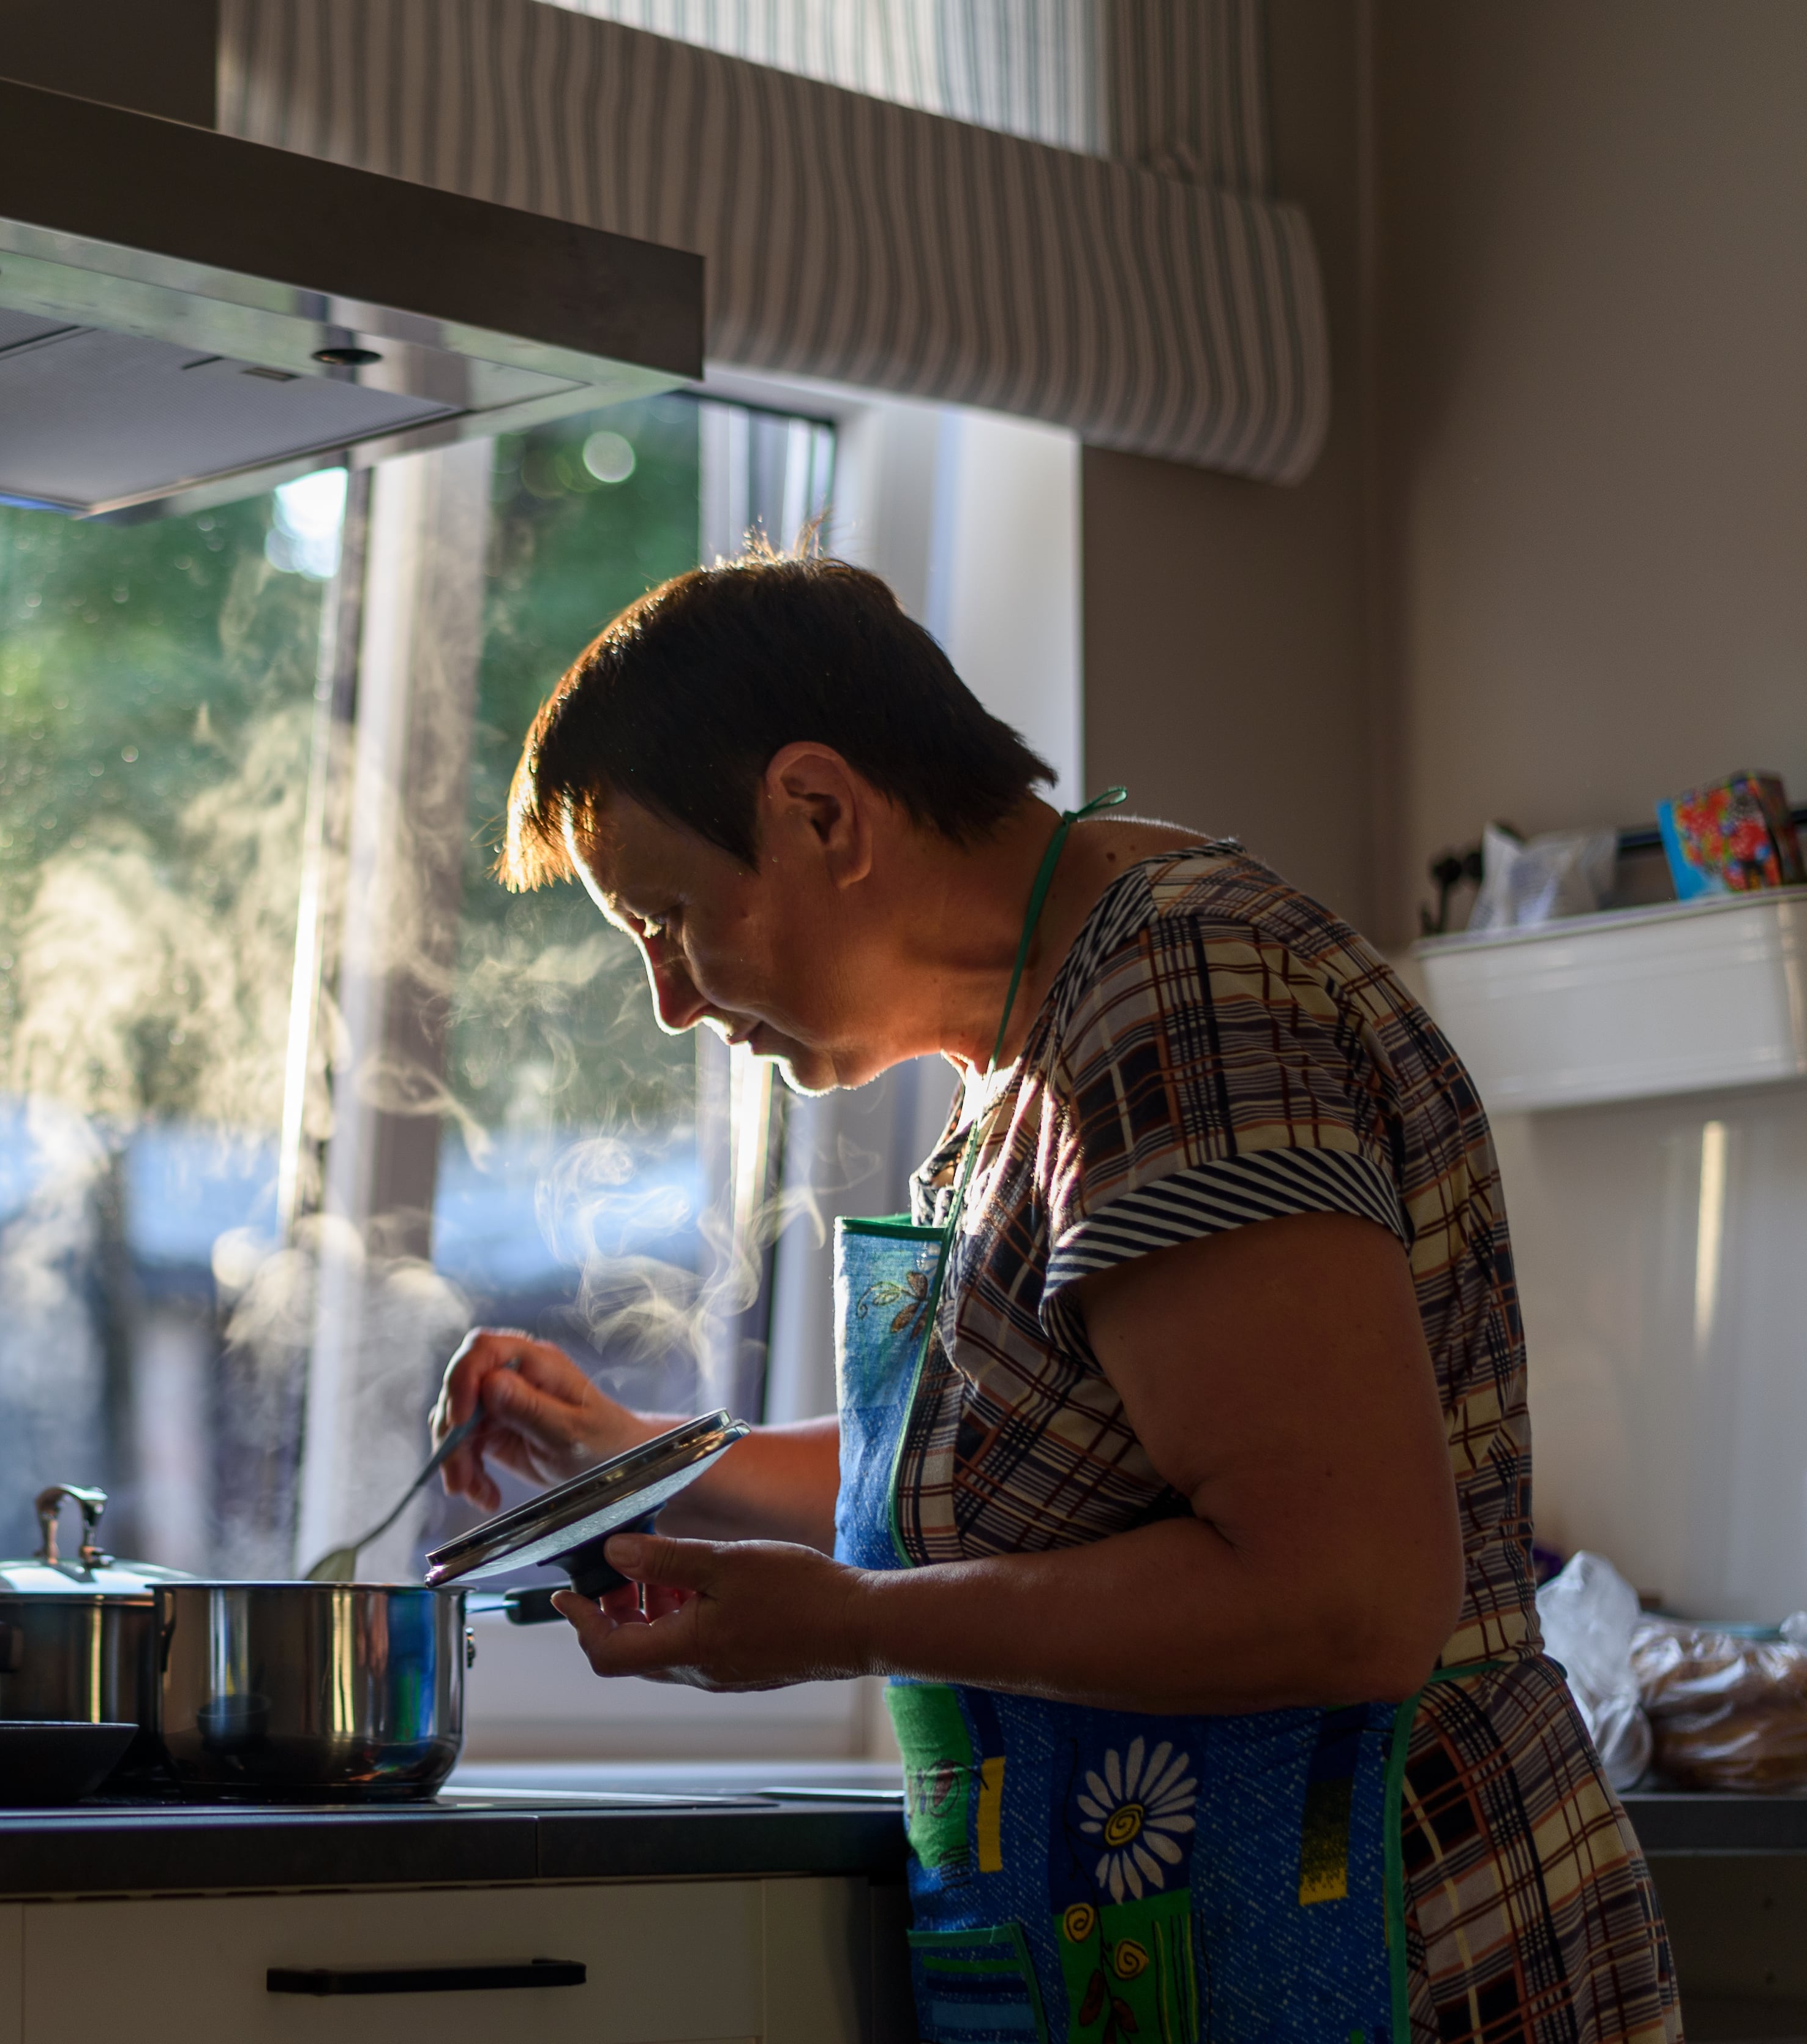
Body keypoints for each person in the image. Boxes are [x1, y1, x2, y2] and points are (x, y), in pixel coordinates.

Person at [433, 547, 1678, 2044]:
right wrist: (626, 1451)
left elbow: (1342, 1598)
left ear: (822, 811)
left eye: (666, 916)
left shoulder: (1186, 995)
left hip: (1398, 1954)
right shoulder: (1036, 1045)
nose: (672, 1000)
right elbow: (1037, 1478)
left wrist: (851, 1620)